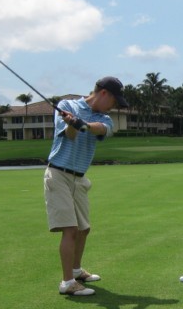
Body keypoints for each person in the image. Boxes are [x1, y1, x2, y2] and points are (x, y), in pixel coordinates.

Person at [44, 76, 129, 295]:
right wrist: (72, 123)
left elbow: (101, 129)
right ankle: (67, 282)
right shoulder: (66, 106)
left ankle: (76, 270)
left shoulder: (105, 118)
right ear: (104, 94)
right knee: (70, 229)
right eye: (114, 101)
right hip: (58, 174)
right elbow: (69, 136)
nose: (114, 106)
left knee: (84, 228)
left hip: (79, 178)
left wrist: (83, 124)